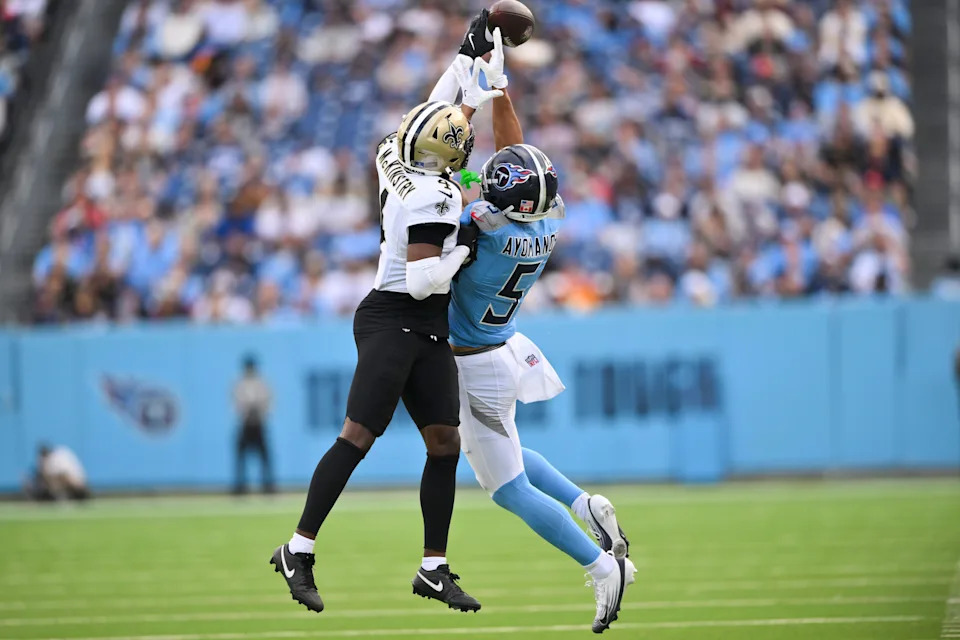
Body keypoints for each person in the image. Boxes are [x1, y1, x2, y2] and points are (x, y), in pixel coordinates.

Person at [269, 21, 507, 614]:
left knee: (444, 441)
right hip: (397, 313)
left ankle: (433, 568)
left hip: (423, 323)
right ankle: (298, 548)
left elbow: (436, 107)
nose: (466, 140)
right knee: (359, 434)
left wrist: (468, 54)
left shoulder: (392, 152)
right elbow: (428, 277)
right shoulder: (438, 196)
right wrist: (468, 248)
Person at [447, 16, 636, 633]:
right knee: (505, 454)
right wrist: (500, 88)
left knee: (506, 488)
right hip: (501, 349)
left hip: (477, 360)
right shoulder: (545, 219)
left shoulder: (484, 227)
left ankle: (600, 564)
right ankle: (587, 503)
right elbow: (508, 161)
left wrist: (470, 101)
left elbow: (462, 177)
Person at [232, 354, 275, 494]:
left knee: (265, 457)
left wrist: (260, 412)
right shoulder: (240, 385)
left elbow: (268, 403)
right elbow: (236, 404)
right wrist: (246, 411)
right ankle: (240, 485)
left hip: (258, 424)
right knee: (241, 457)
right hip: (245, 425)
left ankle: (267, 485)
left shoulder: (261, 384)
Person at [25, 443, 90, 501]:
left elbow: (64, 474)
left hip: (77, 484)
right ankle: (62, 496)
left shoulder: (57, 456)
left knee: (56, 477)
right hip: (76, 483)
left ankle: (63, 496)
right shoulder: (60, 452)